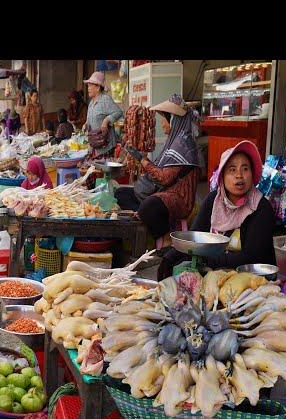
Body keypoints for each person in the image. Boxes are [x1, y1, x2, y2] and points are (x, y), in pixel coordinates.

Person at [158, 140, 276, 280]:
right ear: (222, 176)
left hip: (253, 280)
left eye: (245, 169)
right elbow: (194, 238)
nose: (239, 175)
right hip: (216, 274)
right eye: (232, 170)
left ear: (252, 174)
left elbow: (250, 258)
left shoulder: (261, 208)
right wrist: (169, 258)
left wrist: (205, 260)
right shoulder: (213, 200)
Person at [115, 94, 201, 249]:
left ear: (174, 121)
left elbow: (164, 178)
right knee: (120, 194)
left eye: (165, 119)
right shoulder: (173, 141)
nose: (161, 123)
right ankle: (146, 219)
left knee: (149, 206)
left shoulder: (183, 144)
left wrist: (143, 161)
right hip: (162, 193)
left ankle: (166, 239)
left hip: (178, 197)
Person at [83, 71, 123, 159]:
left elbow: (119, 112)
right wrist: (85, 124)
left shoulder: (105, 99)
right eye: (88, 85)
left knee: (104, 171)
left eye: (90, 85)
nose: (88, 88)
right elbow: (89, 120)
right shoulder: (91, 103)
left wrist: (106, 120)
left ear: (97, 87)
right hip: (95, 145)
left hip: (106, 147)